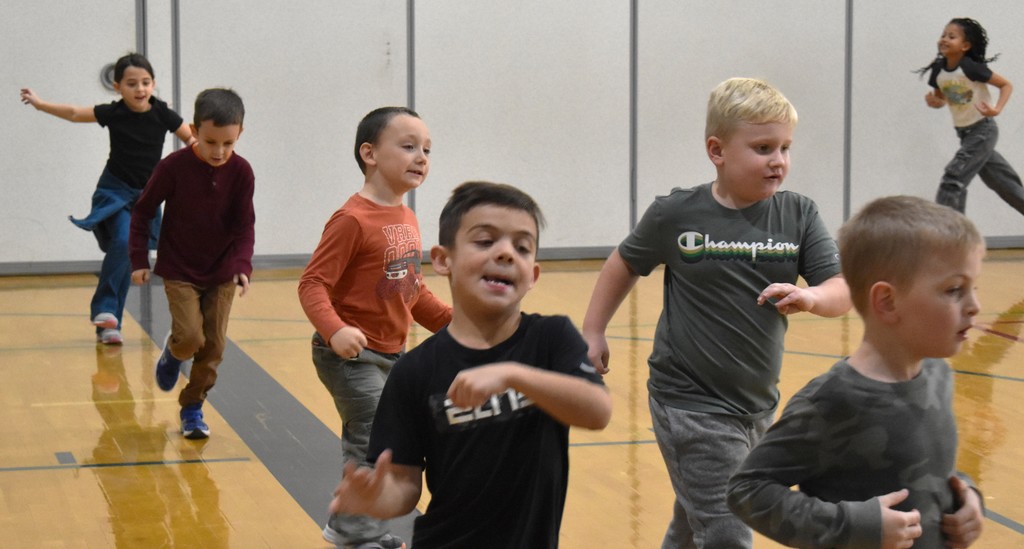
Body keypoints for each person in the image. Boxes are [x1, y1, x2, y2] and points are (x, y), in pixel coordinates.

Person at [581, 77, 852, 548]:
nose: (779, 161)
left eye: (786, 147)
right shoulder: (676, 214)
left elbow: (842, 288)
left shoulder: (799, 215)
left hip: (756, 404)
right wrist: (593, 330)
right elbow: (623, 264)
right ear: (717, 150)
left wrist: (812, 299)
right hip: (689, 404)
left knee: (696, 519)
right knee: (727, 529)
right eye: (763, 147)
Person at [328, 181, 613, 548]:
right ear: (443, 260)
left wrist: (514, 375)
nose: (506, 253)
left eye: (522, 247)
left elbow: (597, 411)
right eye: (485, 241)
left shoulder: (551, 338)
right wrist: (376, 501)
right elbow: (404, 484)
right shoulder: (415, 371)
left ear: (534, 275)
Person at [727, 195, 986, 549]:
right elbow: (748, 490)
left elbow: (922, 467)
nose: (975, 307)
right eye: (955, 290)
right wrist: (853, 526)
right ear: (887, 301)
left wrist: (966, 495)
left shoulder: (938, 375)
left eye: (974, 287)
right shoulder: (835, 399)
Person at [298, 106, 452, 549]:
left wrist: (452, 323)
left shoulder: (406, 218)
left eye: (426, 149)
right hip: (348, 357)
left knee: (386, 436)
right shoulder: (352, 220)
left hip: (392, 354)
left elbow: (411, 289)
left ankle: (359, 528)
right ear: (369, 153)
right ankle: (354, 536)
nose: (421, 156)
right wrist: (334, 330)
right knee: (374, 439)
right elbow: (312, 284)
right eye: (407, 146)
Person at [20, 53, 194, 345]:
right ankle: (105, 310)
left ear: (153, 84)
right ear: (117, 87)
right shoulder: (114, 113)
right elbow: (76, 113)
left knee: (127, 254)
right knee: (124, 242)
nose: (140, 89)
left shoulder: (162, 113)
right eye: (131, 83)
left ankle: (107, 327)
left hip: (146, 197)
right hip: (114, 190)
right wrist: (40, 105)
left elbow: (191, 139)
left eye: (146, 82)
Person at [128, 88, 254, 441]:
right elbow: (142, 210)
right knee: (190, 338)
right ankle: (174, 352)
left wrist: (243, 264)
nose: (219, 152)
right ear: (194, 130)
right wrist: (139, 257)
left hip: (223, 271)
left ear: (239, 133)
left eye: (227, 143)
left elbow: (244, 225)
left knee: (213, 346)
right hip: (180, 269)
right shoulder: (173, 167)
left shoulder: (242, 172)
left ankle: (192, 407)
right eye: (210, 141)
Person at [919, 17, 1024, 216]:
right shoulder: (938, 71)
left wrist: (997, 109)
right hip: (965, 135)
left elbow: (1006, 85)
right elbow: (941, 99)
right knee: (1006, 185)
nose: (944, 39)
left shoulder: (970, 68)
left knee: (953, 180)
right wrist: (935, 103)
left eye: (952, 36)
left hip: (982, 130)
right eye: (943, 35)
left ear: (965, 45)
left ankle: (952, 240)